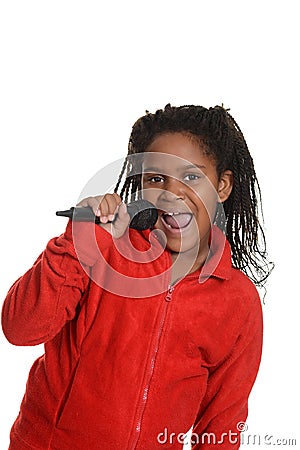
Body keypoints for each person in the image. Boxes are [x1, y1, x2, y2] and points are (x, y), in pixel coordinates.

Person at [2, 104, 273, 449]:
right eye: (156, 178)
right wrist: (78, 236)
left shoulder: (237, 300)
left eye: (192, 176)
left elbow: (223, 422)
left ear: (222, 186)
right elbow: (20, 328)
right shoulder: (103, 247)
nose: (171, 194)